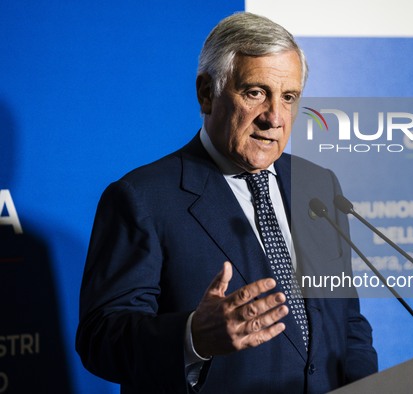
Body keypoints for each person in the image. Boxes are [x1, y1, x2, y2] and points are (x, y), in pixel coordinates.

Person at [76, 12, 377, 394]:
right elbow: (100, 339)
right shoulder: (142, 198)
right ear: (206, 93)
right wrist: (193, 338)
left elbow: (347, 325)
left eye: (288, 97)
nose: (274, 117)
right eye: (255, 92)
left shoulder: (317, 185)